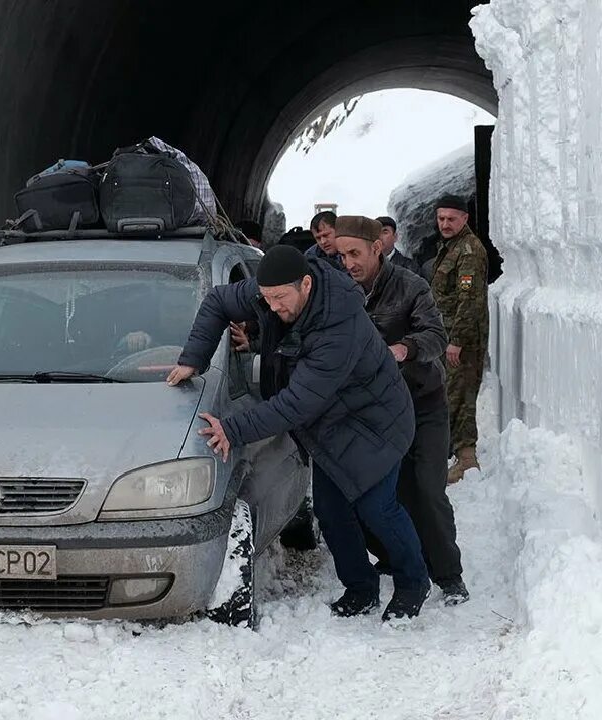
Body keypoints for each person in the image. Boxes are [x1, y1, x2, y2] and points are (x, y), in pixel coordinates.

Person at [167, 245, 431, 621]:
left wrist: (233, 429)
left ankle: (413, 583)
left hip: (375, 422)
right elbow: (217, 301)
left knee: (378, 508)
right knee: (329, 510)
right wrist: (193, 359)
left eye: (280, 298)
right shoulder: (271, 292)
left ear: (305, 285)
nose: (272, 307)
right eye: (266, 298)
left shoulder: (338, 327)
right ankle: (360, 588)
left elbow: (296, 404)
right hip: (330, 425)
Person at [328, 215, 469, 605]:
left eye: (355, 254)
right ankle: (394, 557)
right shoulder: (339, 290)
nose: (349, 263)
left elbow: (435, 335)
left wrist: (404, 349)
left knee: (425, 487)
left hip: (421, 402)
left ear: (377, 247)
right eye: (342, 256)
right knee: (372, 492)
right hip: (372, 412)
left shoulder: (411, 286)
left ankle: (448, 573)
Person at [430, 195, 489, 483]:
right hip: (450, 333)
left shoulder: (468, 251)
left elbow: (470, 299)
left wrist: (457, 340)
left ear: (464, 219)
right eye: (441, 218)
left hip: (462, 340)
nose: (445, 224)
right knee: (451, 393)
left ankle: (467, 459)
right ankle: (457, 453)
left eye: (451, 219)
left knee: (461, 396)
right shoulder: (451, 247)